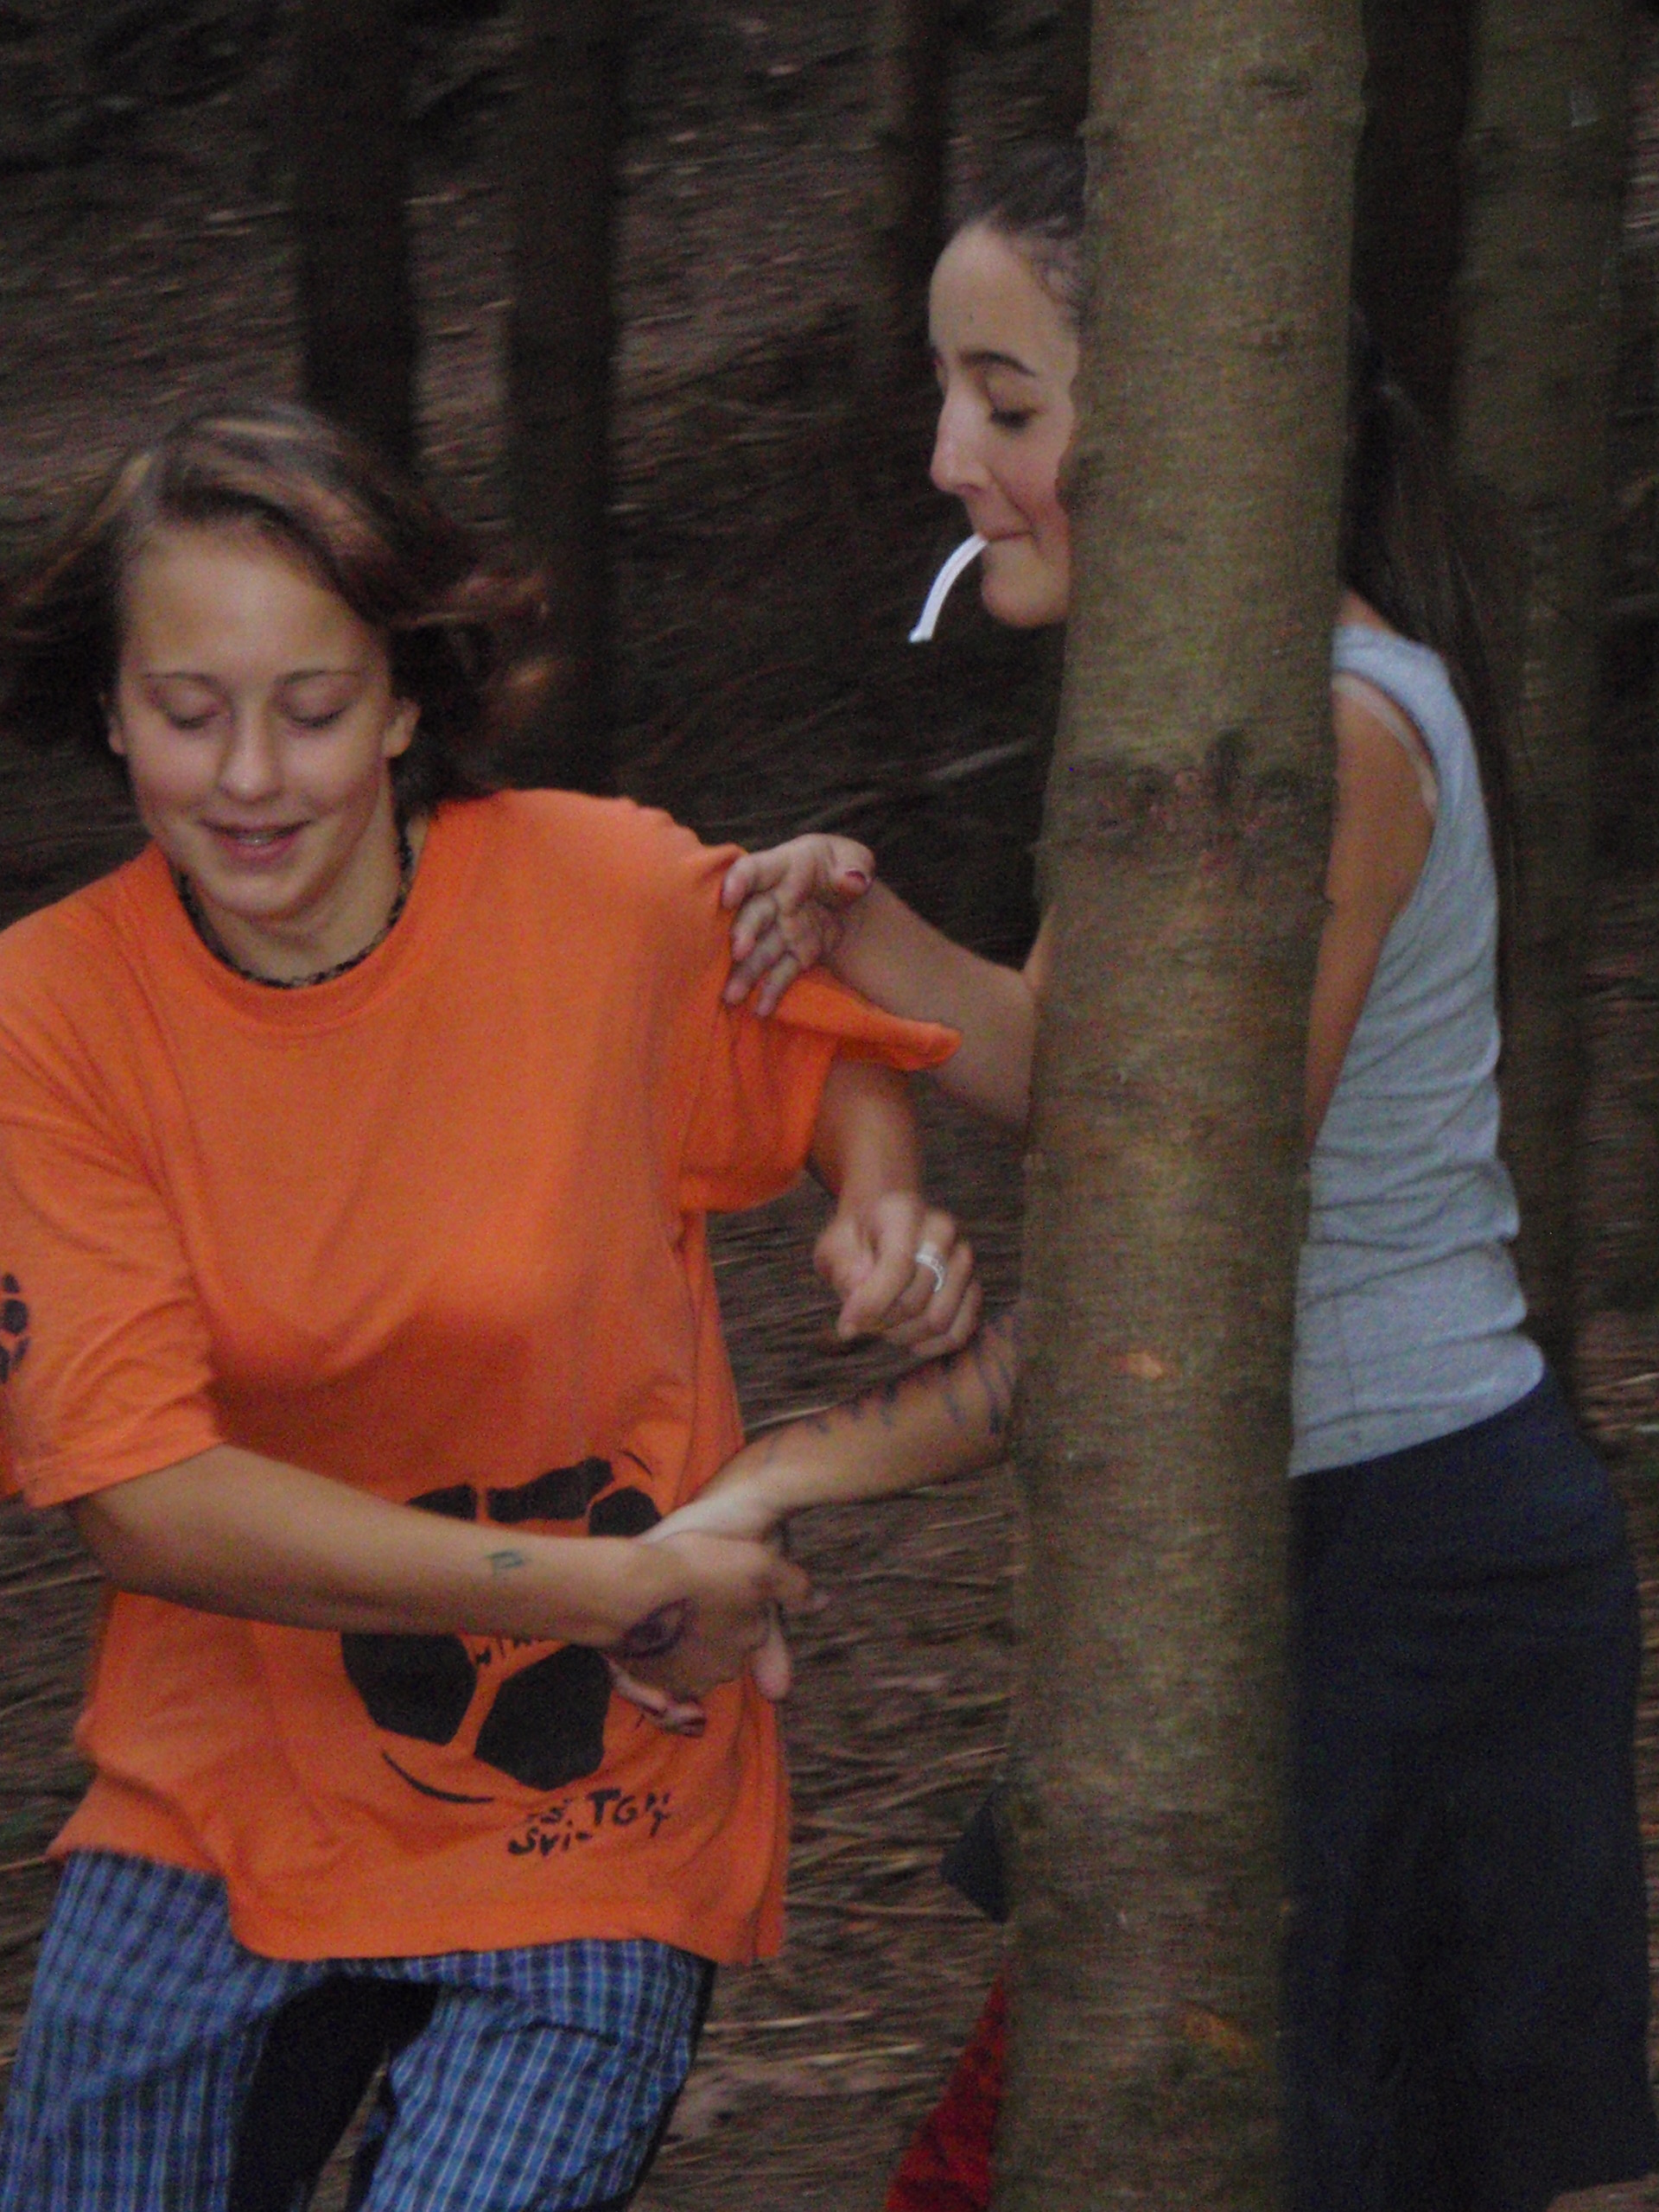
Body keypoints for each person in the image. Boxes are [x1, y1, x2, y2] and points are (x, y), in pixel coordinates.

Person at [714, 140, 1659, 2212]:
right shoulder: (1207, 711)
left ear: (1203, 418)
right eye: (950, 396)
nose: (950, 458)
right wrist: (860, 923)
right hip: (1294, 1534)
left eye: (1008, 401)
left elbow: (1182, 1240)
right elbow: (1089, 1081)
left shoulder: (1338, 735)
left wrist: (790, 1466)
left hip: (1405, 1561)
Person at [0, 401, 984, 2212]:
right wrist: (611, 1589)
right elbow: (141, 1498)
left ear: (402, 701)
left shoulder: (596, 891)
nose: (249, 777)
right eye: (188, 711)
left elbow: (806, 1021)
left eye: (312, 708)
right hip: (228, 1793)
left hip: (594, 1798)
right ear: (113, 711)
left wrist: (881, 1197)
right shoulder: (50, 1016)